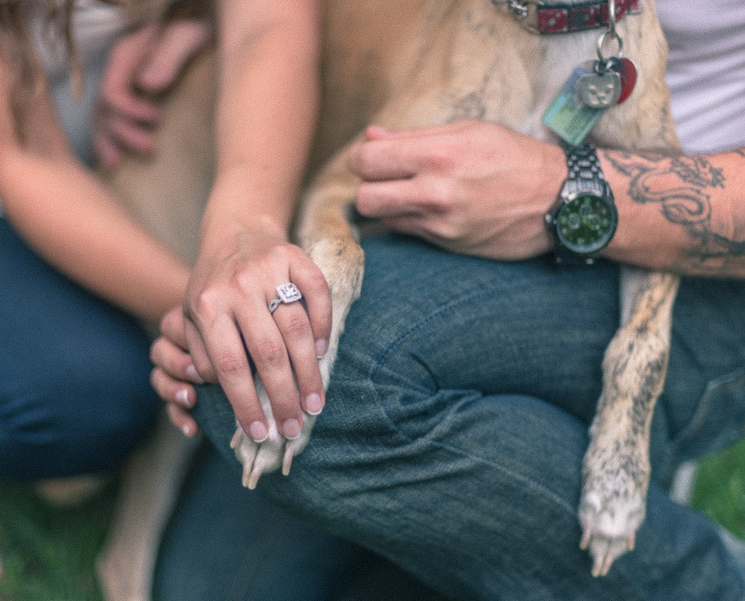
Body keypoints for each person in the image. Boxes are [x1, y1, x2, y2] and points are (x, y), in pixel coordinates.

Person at [150, 0, 745, 598]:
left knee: (323, 380)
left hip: (709, 265)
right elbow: (341, 183)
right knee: (214, 584)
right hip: (482, 180)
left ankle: (705, 578)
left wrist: (568, 191)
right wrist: (227, 22)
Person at [0, 0, 323, 592]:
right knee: (91, 399)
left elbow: (267, 21)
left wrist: (247, 230)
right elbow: (27, 160)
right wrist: (209, 305)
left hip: (62, 132)